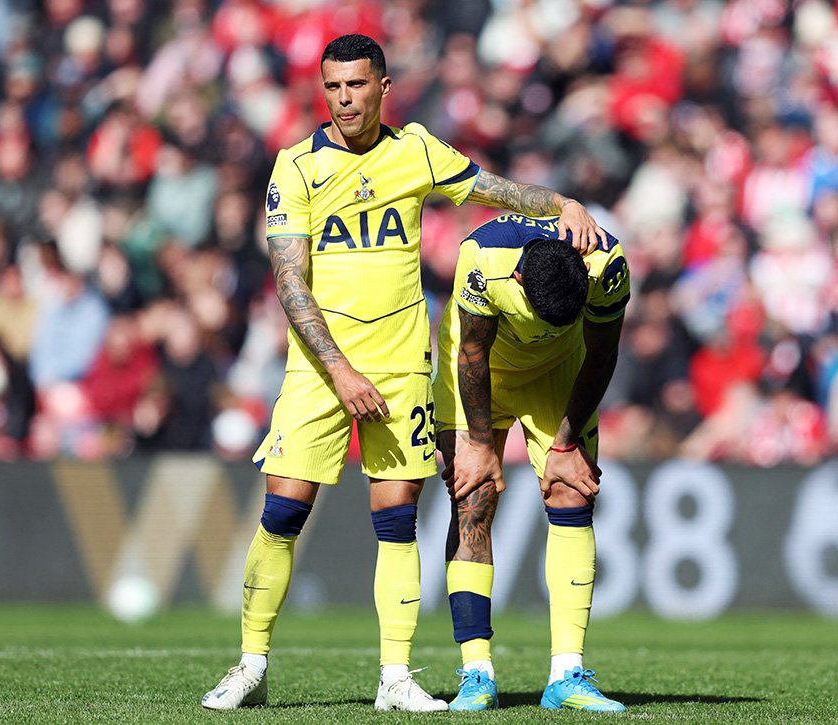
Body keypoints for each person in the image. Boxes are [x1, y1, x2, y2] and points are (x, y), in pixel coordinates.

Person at [202, 33, 605, 713]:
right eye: (332, 87)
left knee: (396, 519)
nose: (343, 99)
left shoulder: (415, 150)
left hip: (400, 365)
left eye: (356, 85)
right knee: (283, 511)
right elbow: (290, 282)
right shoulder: (295, 167)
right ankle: (251, 663)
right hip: (321, 367)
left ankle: (395, 676)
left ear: (383, 87)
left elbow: (493, 189)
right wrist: (339, 370)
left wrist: (562, 203)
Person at [434, 213, 631, 712]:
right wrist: (480, 446)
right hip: (480, 370)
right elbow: (472, 352)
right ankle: (476, 674)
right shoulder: (485, 259)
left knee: (572, 492)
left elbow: (602, 355)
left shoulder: (607, 264)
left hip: (558, 372)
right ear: (519, 280)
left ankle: (567, 675)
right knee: (473, 497)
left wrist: (565, 445)